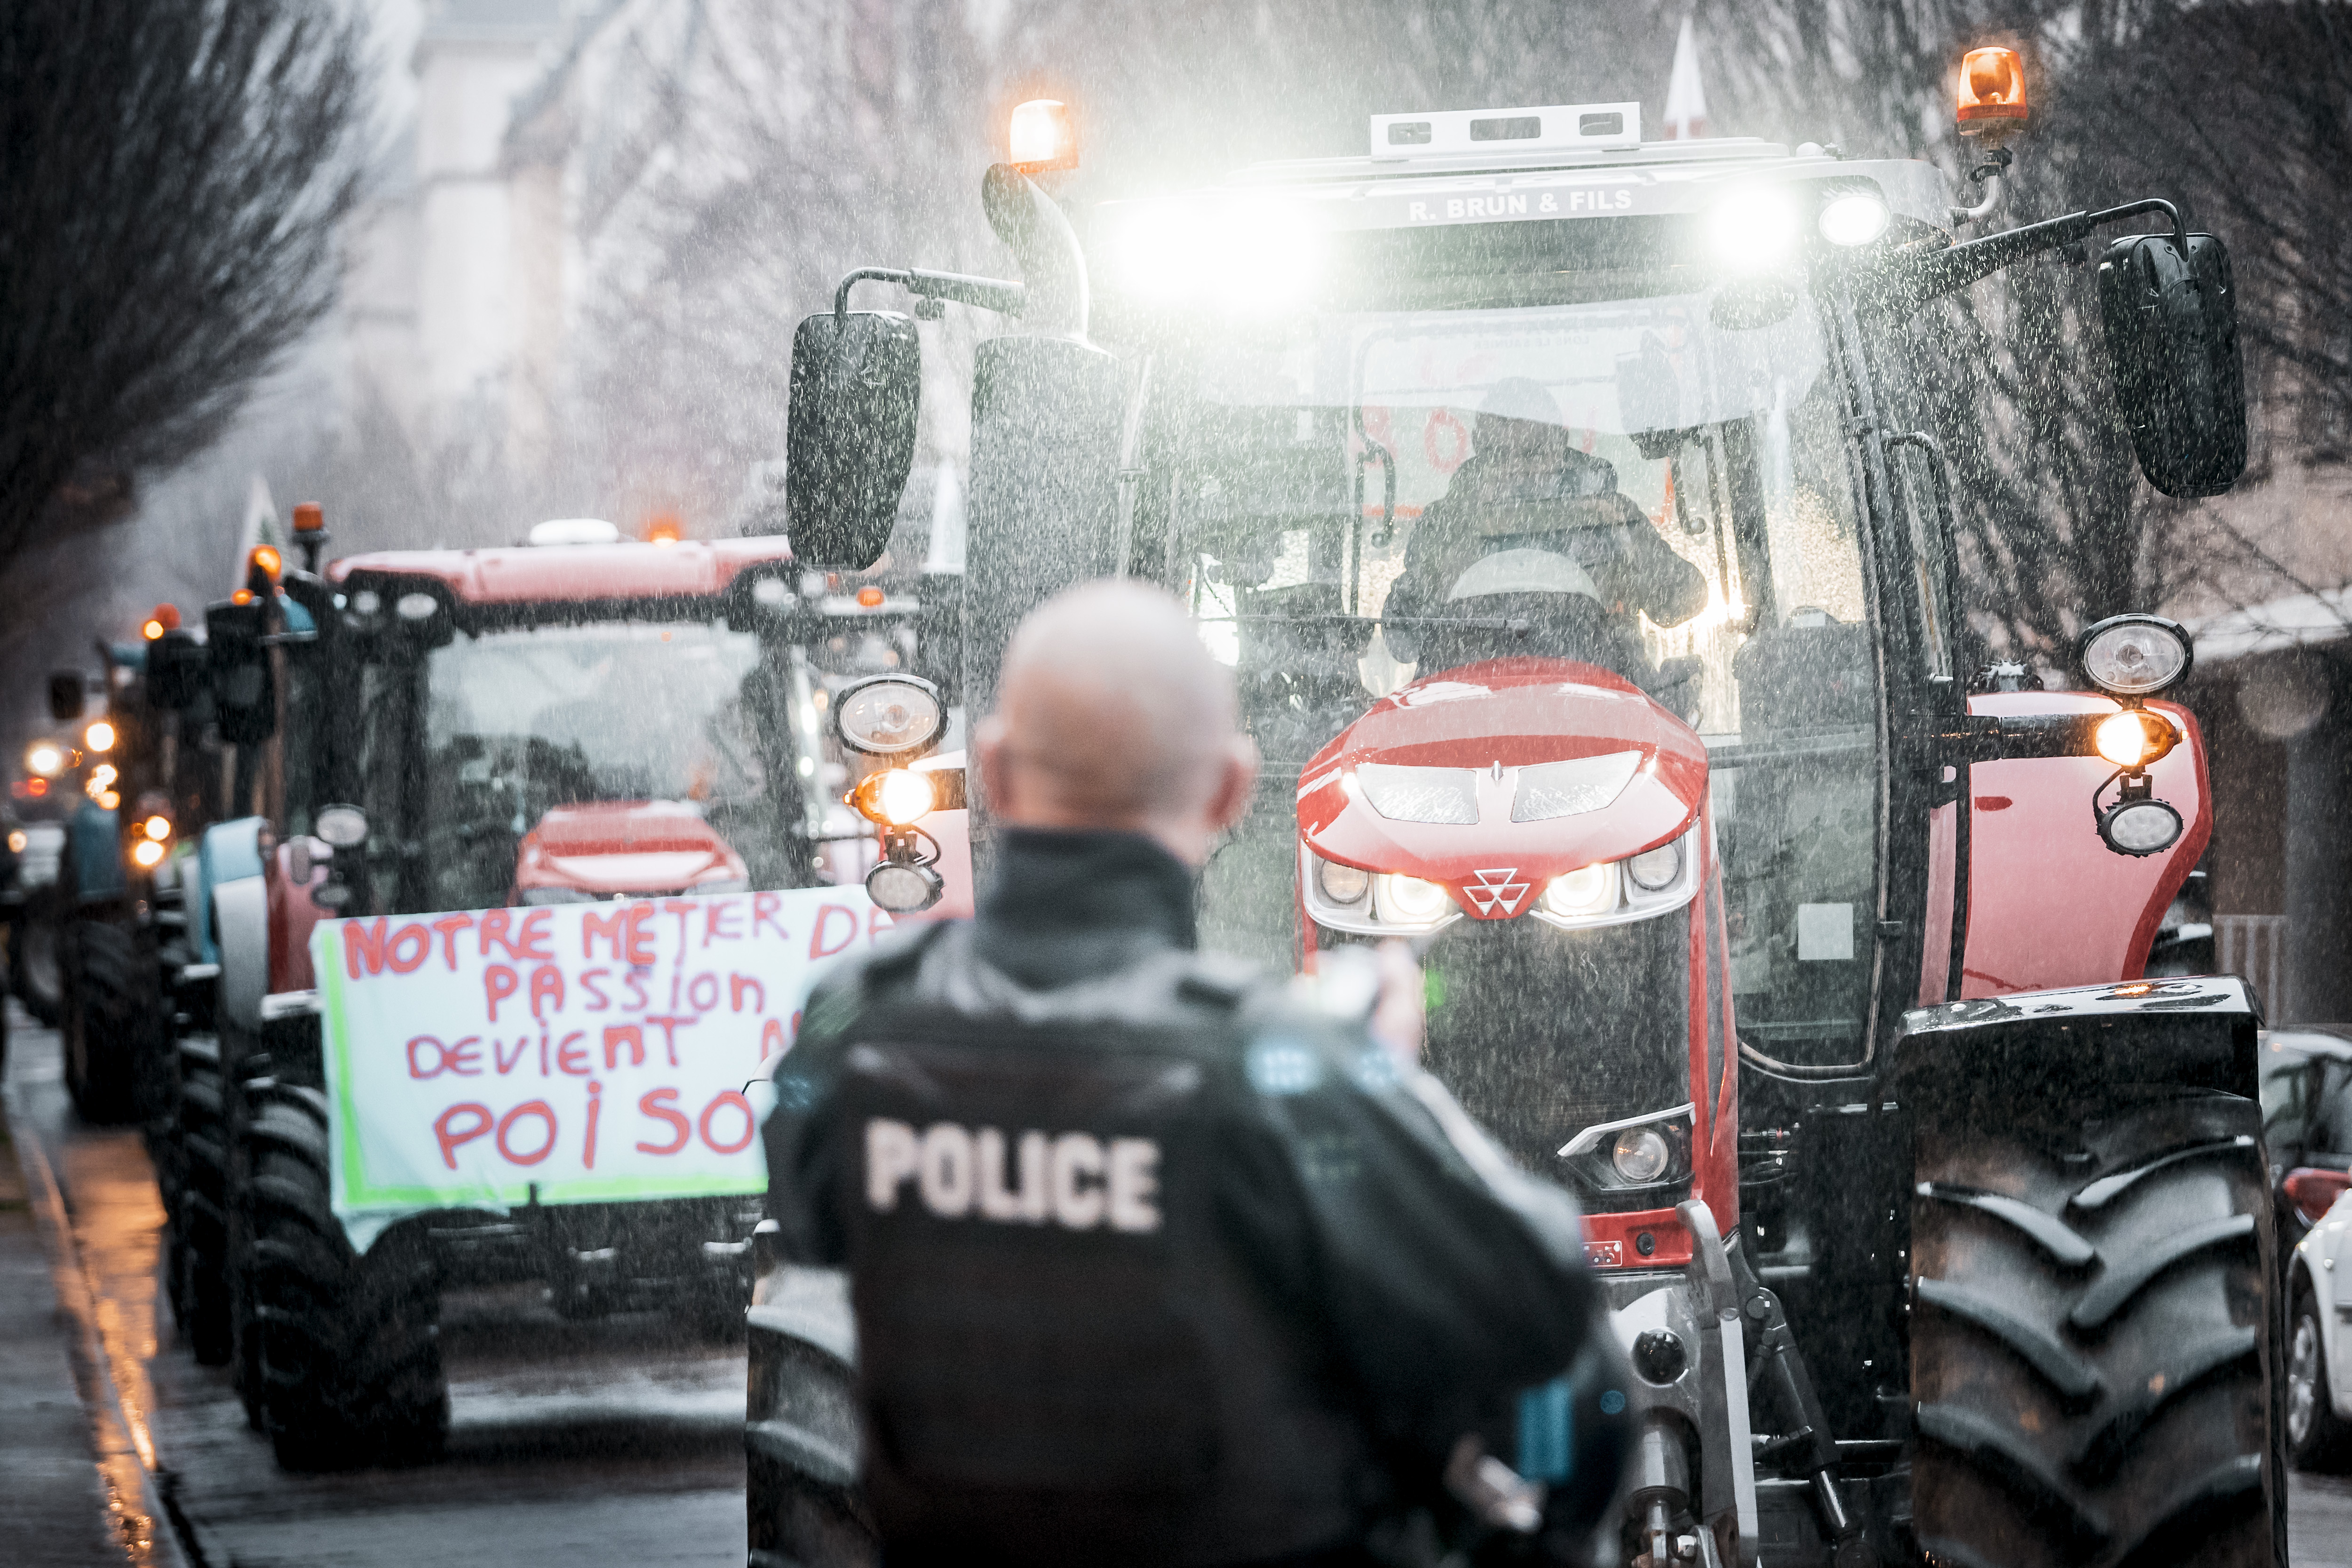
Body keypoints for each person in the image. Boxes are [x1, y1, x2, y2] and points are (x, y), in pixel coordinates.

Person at [762, 581, 1628, 1568]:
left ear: (994, 771)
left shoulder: (854, 1028)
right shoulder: (1275, 1071)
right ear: (1229, 789)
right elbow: (1540, 1297)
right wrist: (1393, 1083)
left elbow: (809, 1215)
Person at [1383, 379, 1707, 682]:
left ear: (1559, 445)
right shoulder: (1448, 523)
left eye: (1533, 453)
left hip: (1604, 706)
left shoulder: (1608, 514)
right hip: (1464, 709)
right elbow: (1401, 639)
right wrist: (1449, 564)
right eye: (1500, 454)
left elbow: (1685, 600)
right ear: (1480, 451)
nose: (1517, 468)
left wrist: (1629, 543)